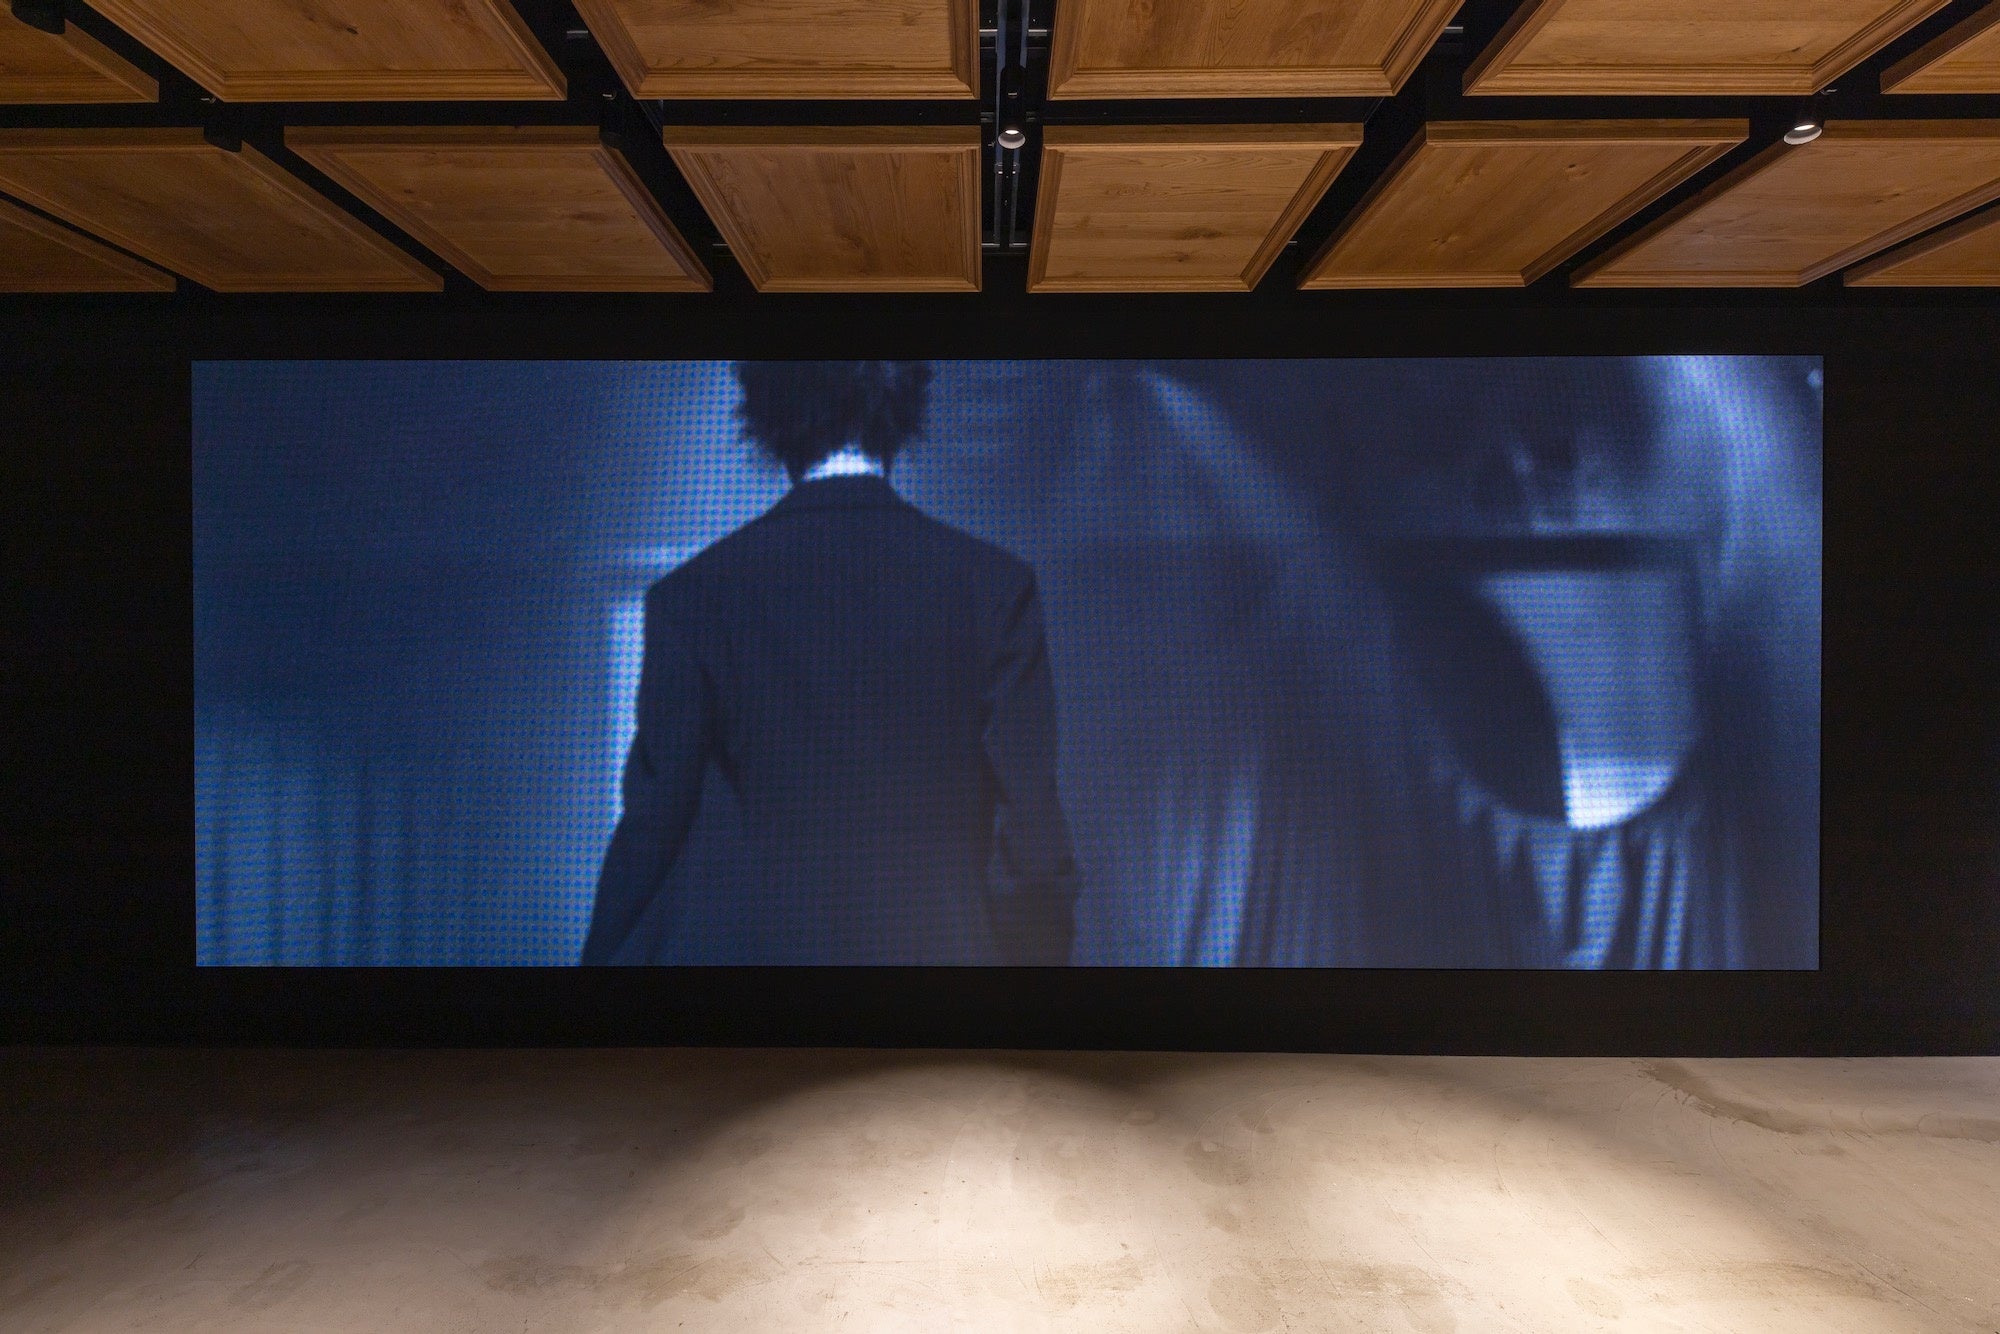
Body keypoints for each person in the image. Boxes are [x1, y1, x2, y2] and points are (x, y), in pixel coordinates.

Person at [581, 361, 1078, 965]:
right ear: (905, 405)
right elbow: (1035, 841)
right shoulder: (995, 587)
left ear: (768, 414)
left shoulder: (692, 598)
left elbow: (653, 832)